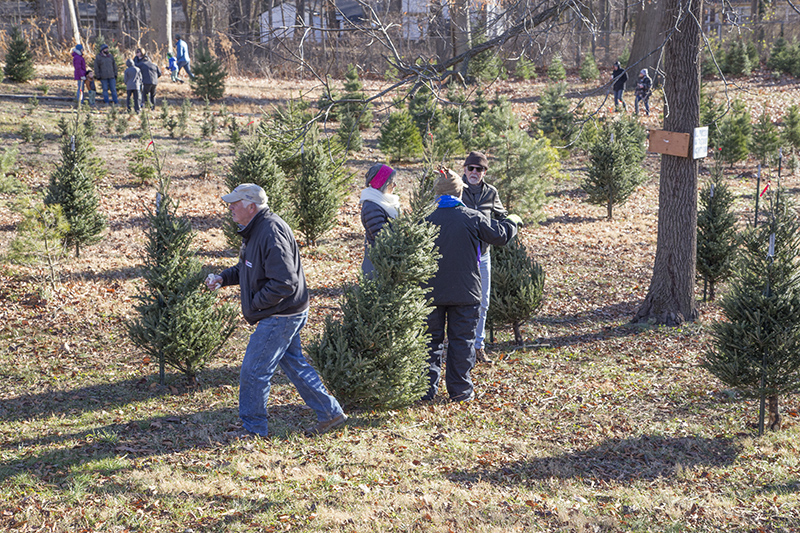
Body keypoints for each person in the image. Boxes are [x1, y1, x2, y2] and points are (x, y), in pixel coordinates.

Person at [205, 183, 348, 439]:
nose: (230, 207)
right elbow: (249, 269)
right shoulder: (254, 229)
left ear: (252, 206)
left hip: (280, 314)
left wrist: (256, 304)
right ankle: (330, 413)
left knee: (254, 370)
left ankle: (253, 430)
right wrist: (223, 278)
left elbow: (284, 282)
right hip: (282, 310)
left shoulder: (270, 231)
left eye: (235, 203)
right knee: (294, 364)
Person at [422, 170, 520, 402]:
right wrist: (512, 222)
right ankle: (461, 391)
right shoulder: (472, 217)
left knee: (429, 341)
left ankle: (425, 390)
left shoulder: (424, 219)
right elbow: (501, 235)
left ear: (436, 193)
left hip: (430, 292)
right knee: (462, 341)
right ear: (459, 192)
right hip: (465, 292)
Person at [460, 151, 508, 365]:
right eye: (471, 168)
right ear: (464, 169)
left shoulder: (491, 193)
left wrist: (502, 229)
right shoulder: (457, 189)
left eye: (479, 169)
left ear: (484, 172)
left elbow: (501, 216)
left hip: (484, 256)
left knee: (483, 302)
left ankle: (478, 347)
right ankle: (460, 347)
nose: (474, 172)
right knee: (459, 303)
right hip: (460, 256)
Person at [359, 163, 400, 276]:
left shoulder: (384, 201)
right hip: (378, 264)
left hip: (387, 261)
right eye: (392, 182)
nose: (395, 185)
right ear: (383, 184)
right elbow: (381, 238)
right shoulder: (372, 206)